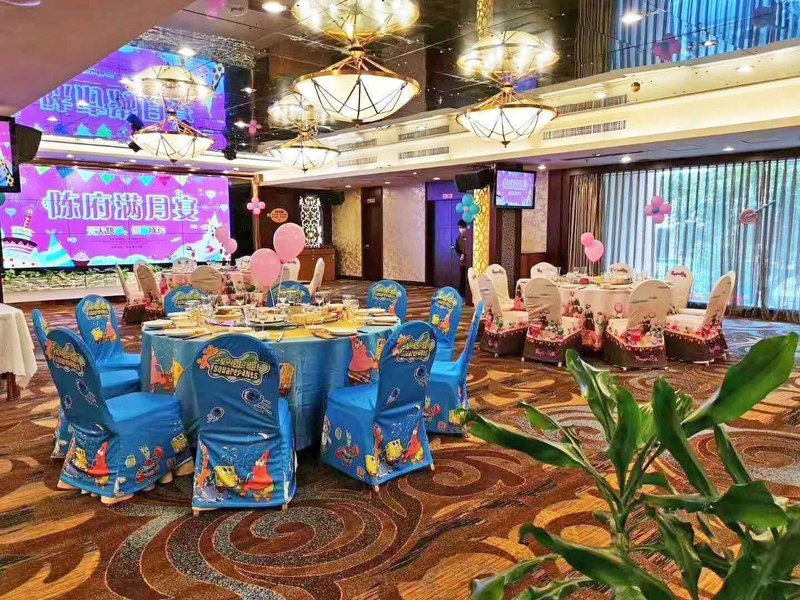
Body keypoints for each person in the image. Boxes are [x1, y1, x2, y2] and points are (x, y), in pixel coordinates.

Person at [453, 219, 469, 298]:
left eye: (462, 227)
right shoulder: (458, 238)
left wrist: (466, 254)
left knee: (469, 278)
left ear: (466, 227)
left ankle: (468, 293)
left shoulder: (470, 237)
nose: (461, 229)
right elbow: (457, 248)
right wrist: (461, 254)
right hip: (463, 262)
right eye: (460, 228)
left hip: (470, 262)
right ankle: (461, 293)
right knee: (462, 277)